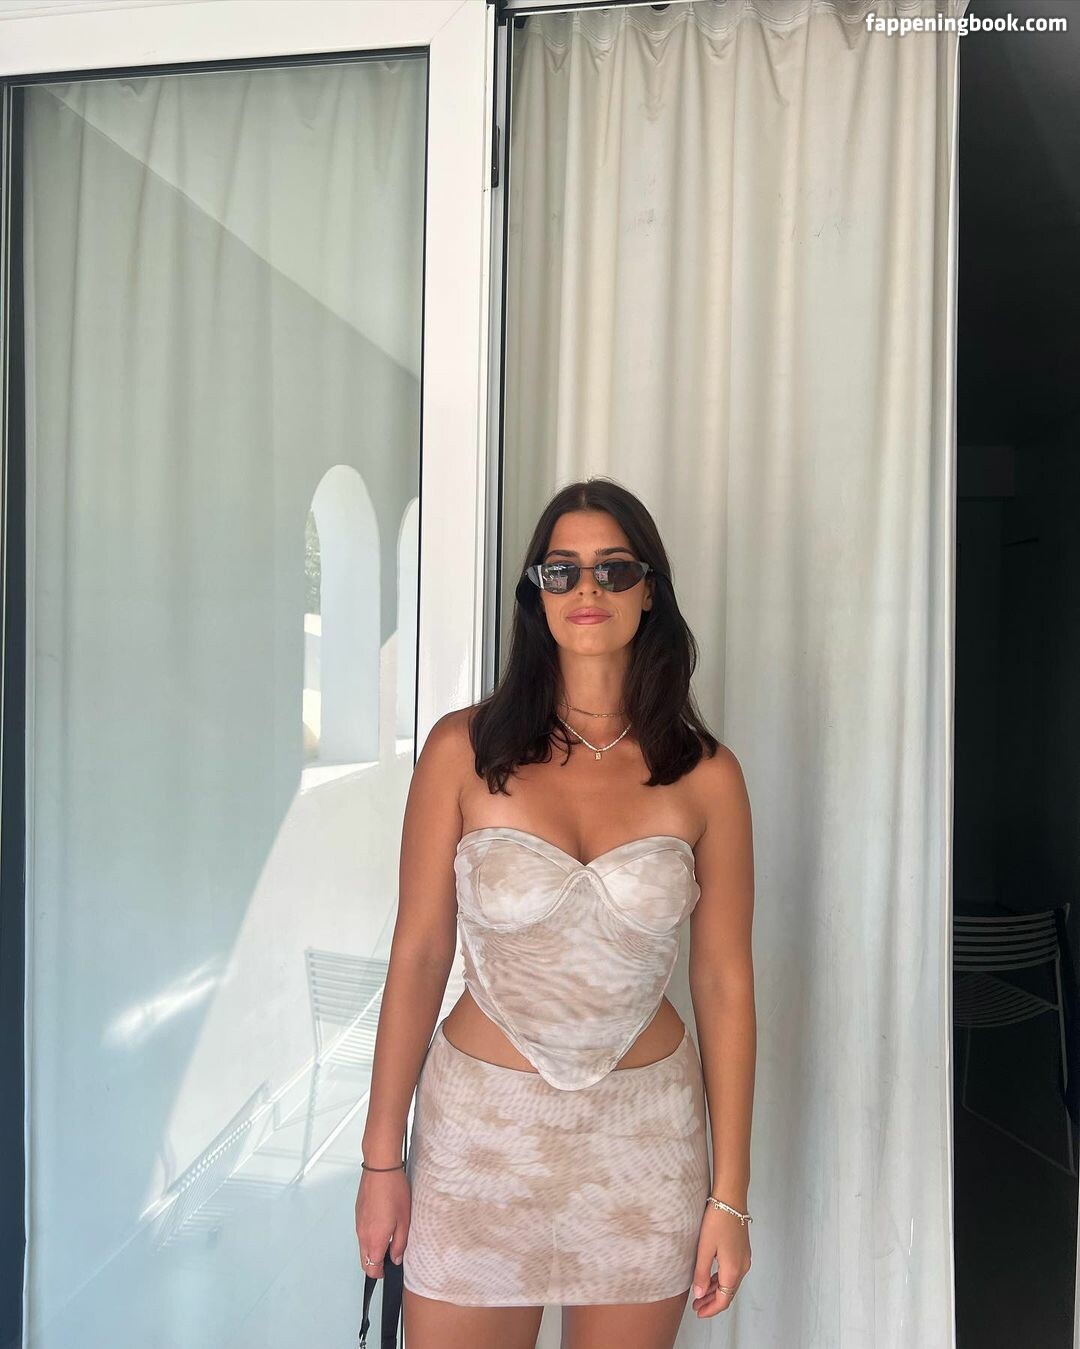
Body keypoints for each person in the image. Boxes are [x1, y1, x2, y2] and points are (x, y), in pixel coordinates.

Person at [354, 477, 757, 1349]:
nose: (587, 588)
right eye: (562, 569)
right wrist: (381, 1156)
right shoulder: (463, 750)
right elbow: (419, 954)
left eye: (615, 569)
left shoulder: (707, 775)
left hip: (645, 1146)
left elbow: (724, 981)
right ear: (536, 593)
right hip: (481, 1141)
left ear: (650, 592)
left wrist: (730, 1195)